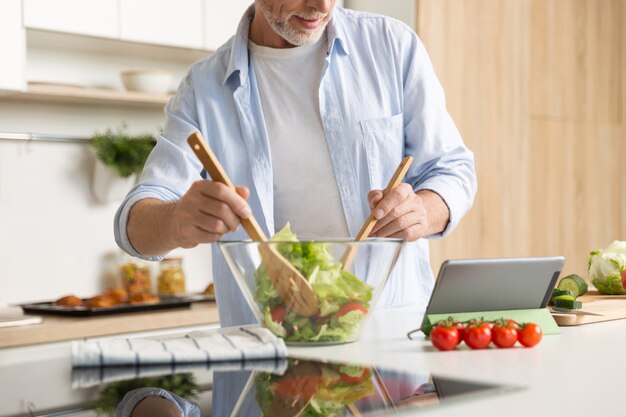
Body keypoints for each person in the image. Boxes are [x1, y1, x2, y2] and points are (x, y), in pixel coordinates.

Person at [114, 0, 477, 327]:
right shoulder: (204, 87)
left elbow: (453, 169)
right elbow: (134, 227)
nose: (322, 5)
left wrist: (423, 212)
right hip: (265, 361)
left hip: (394, 344)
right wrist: (177, 220)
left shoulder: (391, 46)